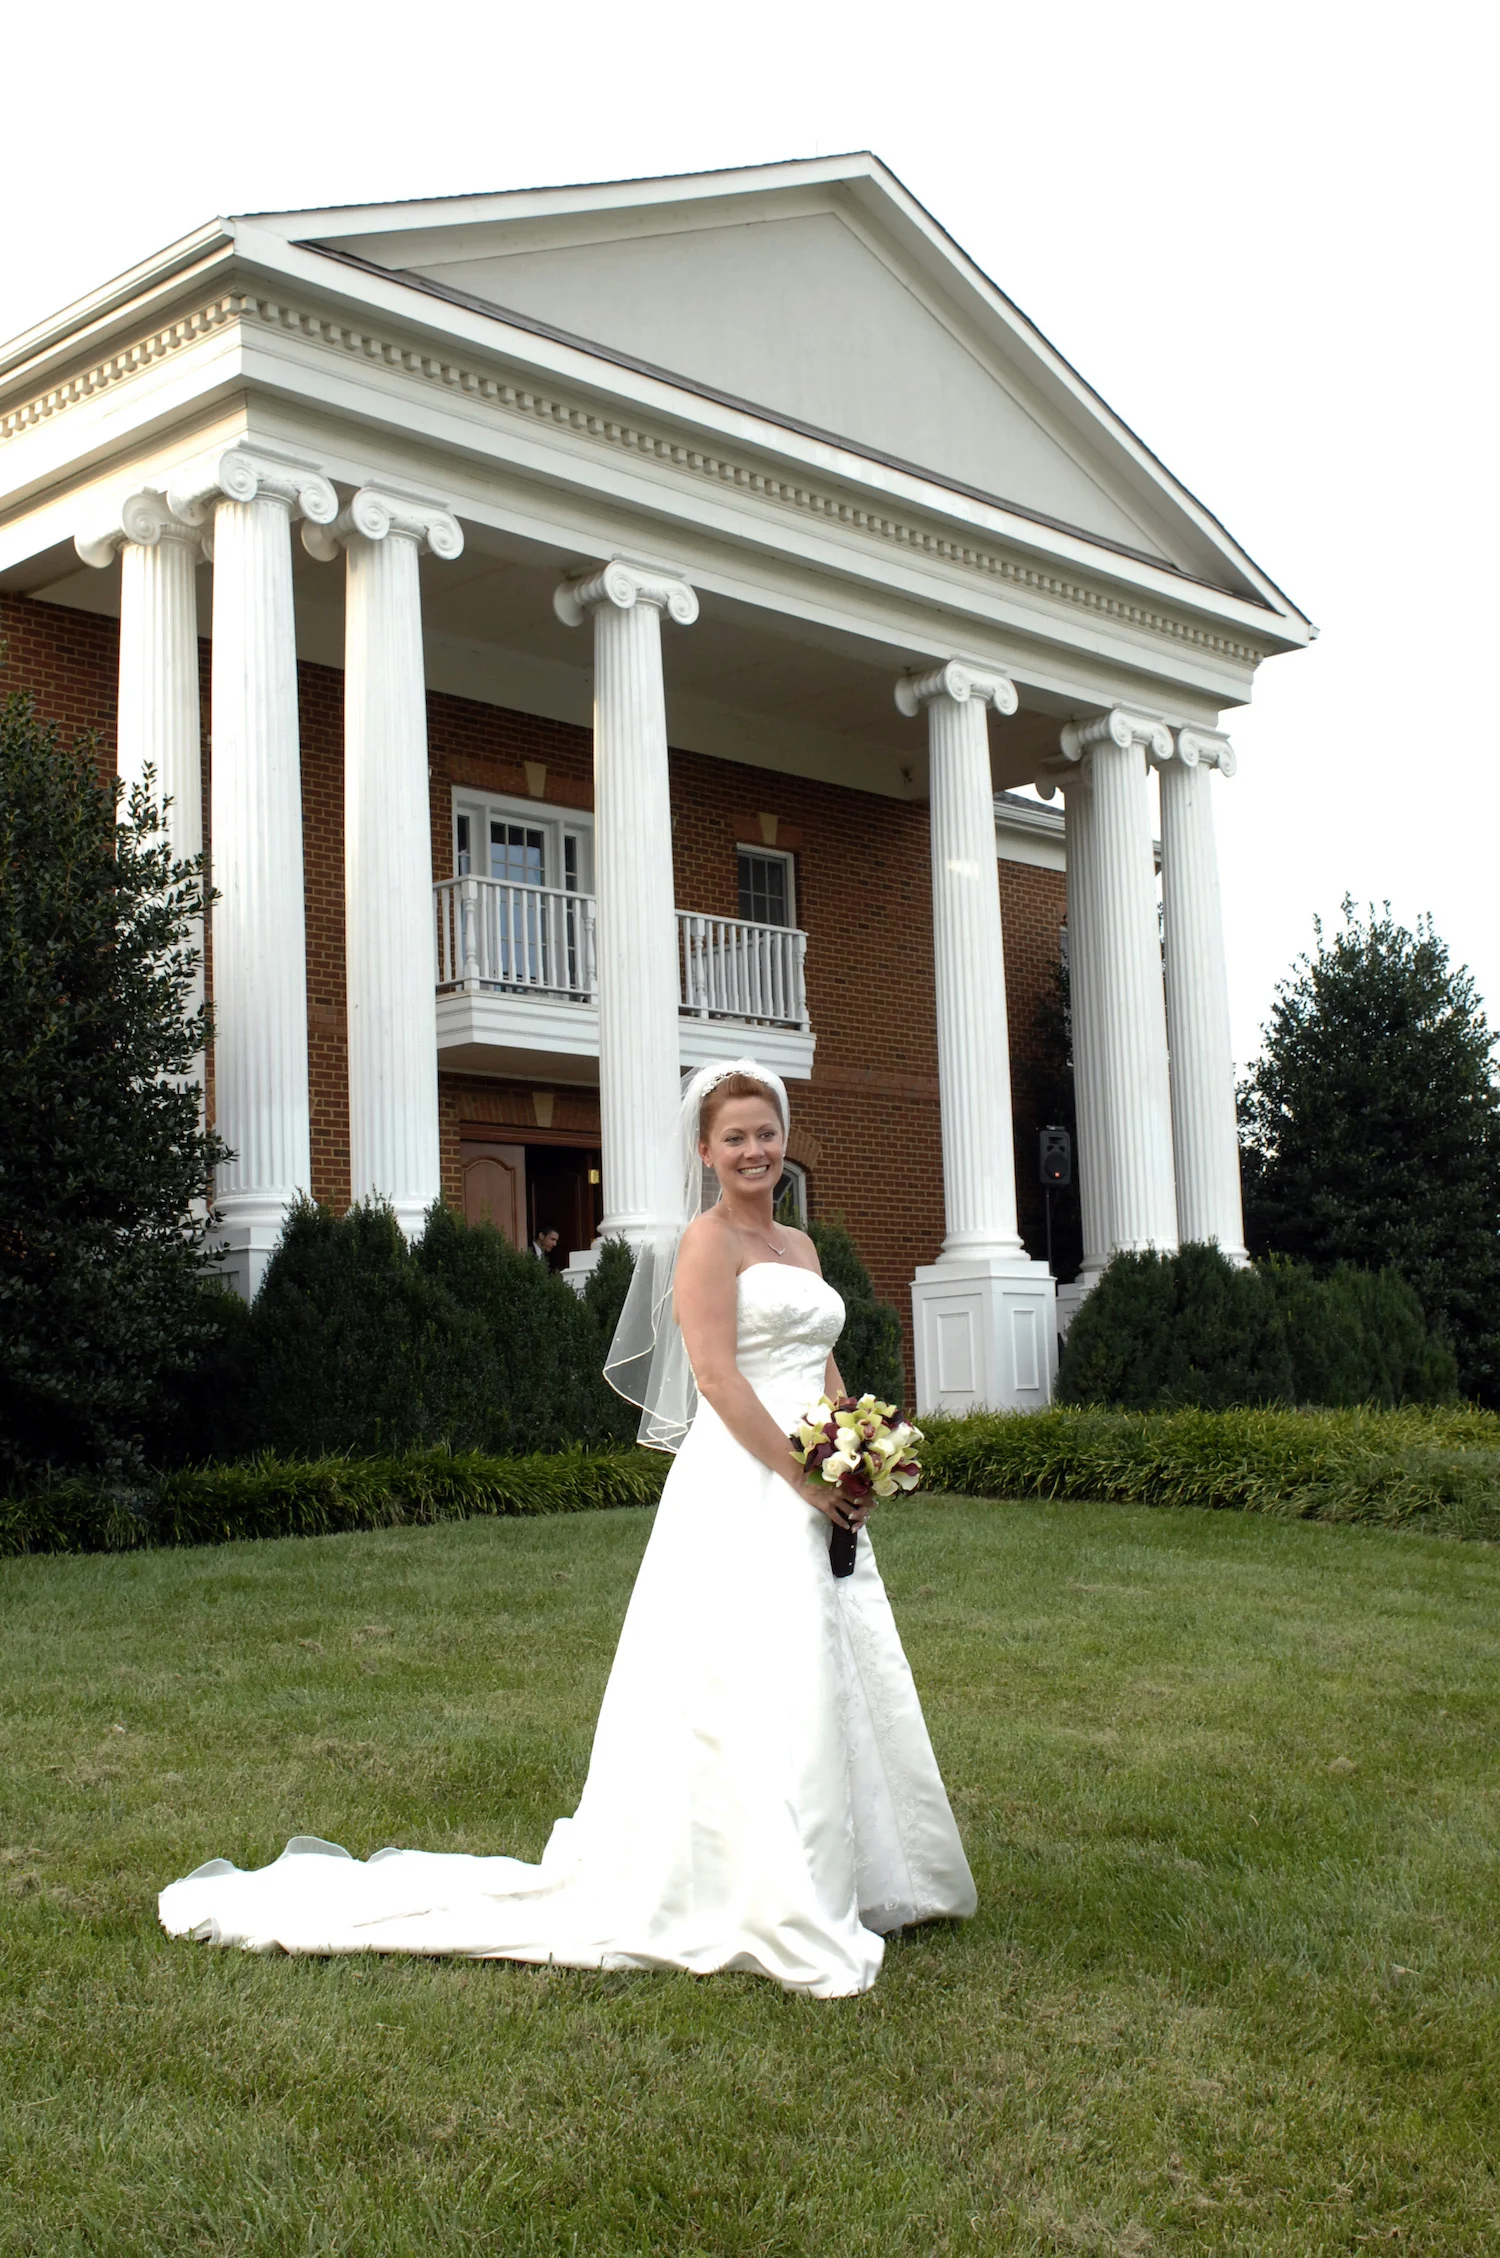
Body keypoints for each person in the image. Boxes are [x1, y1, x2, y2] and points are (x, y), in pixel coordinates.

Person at [158, 1059, 975, 1997]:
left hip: (815, 1476)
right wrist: (800, 1477)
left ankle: (864, 1875)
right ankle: (756, 1884)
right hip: (747, 1482)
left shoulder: (800, 1243)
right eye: (736, 1137)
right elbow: (716, 1380)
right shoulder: (705, 1243)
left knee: (830, 1656)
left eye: (766, 1133)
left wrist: (854, 1448)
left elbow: (820, 1362)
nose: (755, 1150)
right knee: (750, 1670)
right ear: (705, 1151)